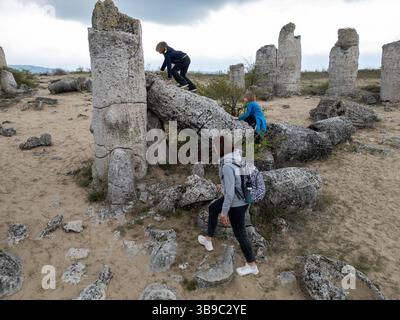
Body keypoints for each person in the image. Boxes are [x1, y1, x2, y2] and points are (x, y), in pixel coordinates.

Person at [197, 135, 259, 276]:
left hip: (235, 203)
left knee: (240, 234)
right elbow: (239, 181)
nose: (213, 150)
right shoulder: (237, 158)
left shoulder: (226, 166)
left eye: (215, 147)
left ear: (220, 149)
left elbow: (230, 194)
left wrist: (224, 212)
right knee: (213, 209)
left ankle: (252, 265)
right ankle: (208, 240)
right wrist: (223, 186)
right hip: (243, 199)